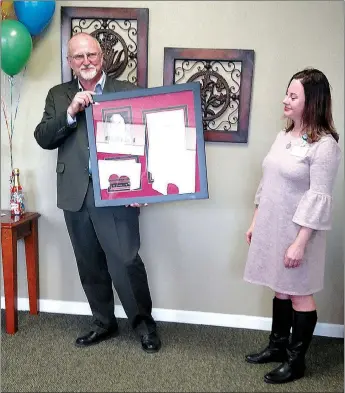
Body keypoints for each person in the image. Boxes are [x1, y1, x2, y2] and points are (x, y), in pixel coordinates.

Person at [34, 32, 161, 353]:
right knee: (89, 262)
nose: (86, 61)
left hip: (119, 193)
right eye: (79, 57)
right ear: (70, 62)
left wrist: (144, 184)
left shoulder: (129, 91)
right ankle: (104, 322)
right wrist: (69, 113)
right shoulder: (58, 95)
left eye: (92, 55)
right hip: (75, 193)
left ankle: (144, 325)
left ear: (102, 58)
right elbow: (44, 138)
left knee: (126, 261)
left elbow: (150, 141)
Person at [243, 68, 341, 383]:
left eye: (292, 95)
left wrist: (300, 243)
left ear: (311, 102)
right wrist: (256, 222)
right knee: (280, 289)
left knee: (299, 293)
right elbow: (267, 182)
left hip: (300, 233)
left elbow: (319, 196)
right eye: (287, 93)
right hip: (272, 226)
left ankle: (296, 362)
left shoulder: (325, 146)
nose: (284, 100)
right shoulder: (283, 135)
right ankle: (277, 347)